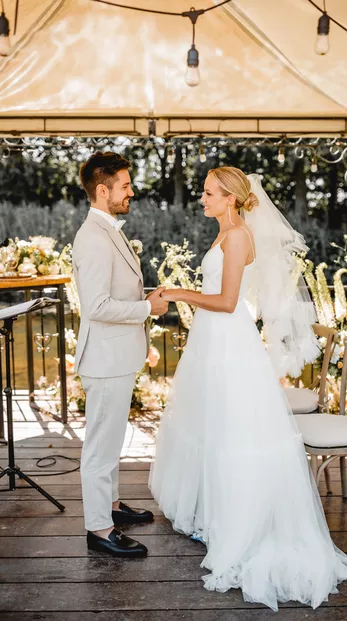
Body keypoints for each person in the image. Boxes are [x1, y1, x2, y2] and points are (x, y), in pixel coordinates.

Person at [149, 166, 347, 611]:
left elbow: (227, 302)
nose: (202, 199)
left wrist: (179, 293)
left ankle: (243, 525)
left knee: (234, 434)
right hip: (213, 340)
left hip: (229, 342)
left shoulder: (237, 236)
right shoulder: (226, 232)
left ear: (230, 197)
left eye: (209, 193)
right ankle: (217, 514)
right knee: (213, 429)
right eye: (203, 192)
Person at [73, 151, 168, 558]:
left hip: (117, 357)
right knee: (100, 447)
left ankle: (111, 505)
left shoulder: (108, 230)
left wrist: (148, 297)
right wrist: (148, 308)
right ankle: (99, 529)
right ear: (102, 190)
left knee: (112, 441)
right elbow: (96, 306)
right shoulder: (93, 237)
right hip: (105, 359)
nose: (131, 192)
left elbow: (116, 291)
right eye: (125, 186)